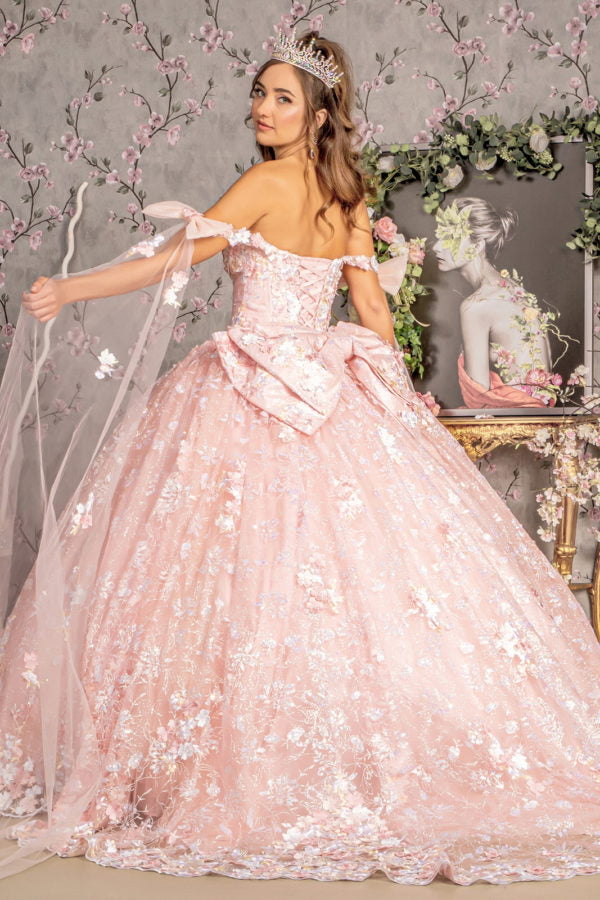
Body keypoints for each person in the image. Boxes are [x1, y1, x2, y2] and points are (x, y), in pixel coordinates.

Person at [1, 27, 600, 888]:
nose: (263, 108)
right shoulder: (345, 195)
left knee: (227, 578)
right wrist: (394, 399)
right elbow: (369, 307)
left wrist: (69, 287)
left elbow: (173, 261)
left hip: (249, 385)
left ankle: (236, 762)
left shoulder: (267, 182)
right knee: (347, 586)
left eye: (283, 97)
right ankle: (325, 757)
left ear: (319, 114)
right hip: (327, 387)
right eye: (260, 93)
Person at [432, 197, 556, 409]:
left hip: (515, 422)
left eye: (449, 238)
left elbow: (478, 400)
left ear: (477, 245)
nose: (436, 247)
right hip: (541, 417)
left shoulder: (477, 305)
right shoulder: (515, 290)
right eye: (439, 237)